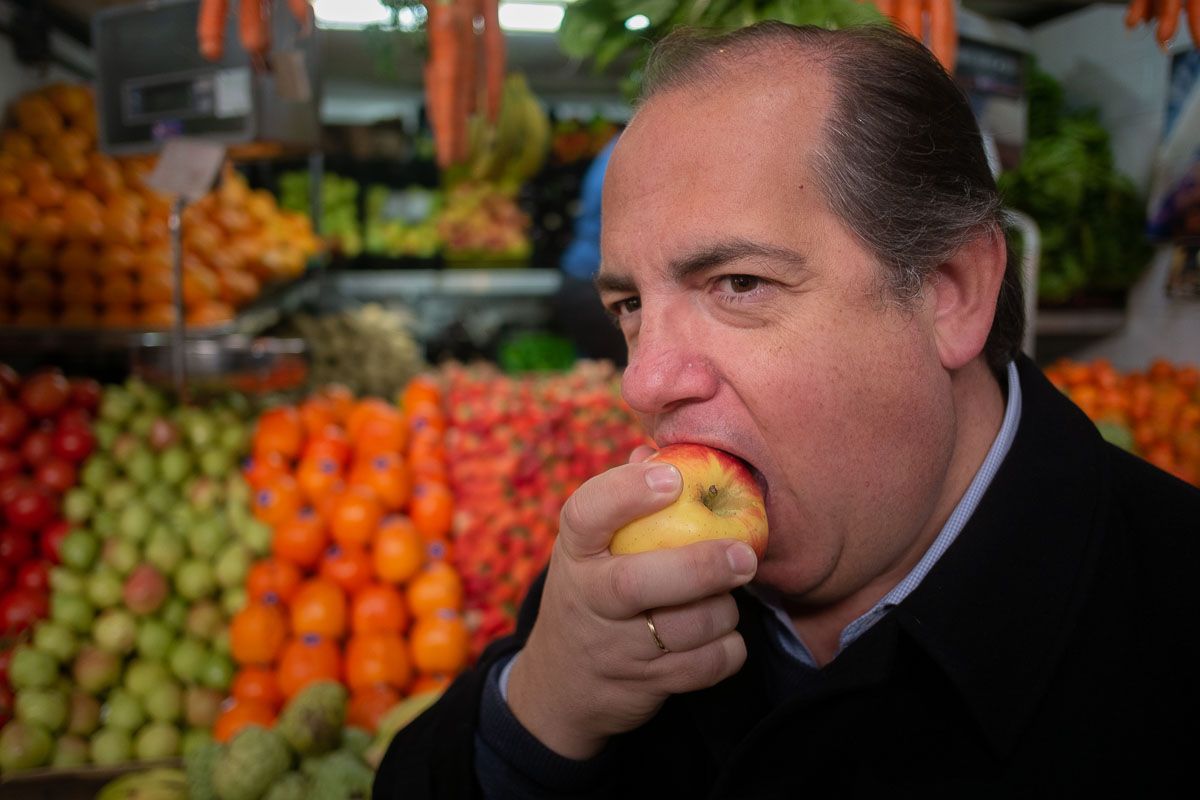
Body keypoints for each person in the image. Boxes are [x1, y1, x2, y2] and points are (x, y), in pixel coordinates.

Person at [374, 21, 1200, 798]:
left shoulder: (1170, 608)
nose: (643, 383)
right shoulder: (621, 584)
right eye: (628, 305)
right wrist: (542, 706)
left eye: (739, 284)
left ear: (951, 293)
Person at [553, 135, 627, 365]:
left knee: (603, 370)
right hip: (592, 286)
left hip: (580, 279)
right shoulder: (635, 155)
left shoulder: (618, 147)